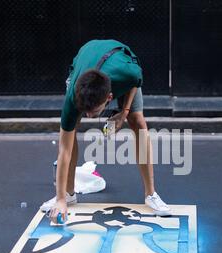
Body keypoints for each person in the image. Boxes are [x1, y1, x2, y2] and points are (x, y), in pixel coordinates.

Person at [48, 39, 171, 224]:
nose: (89, 116)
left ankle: (151, 194)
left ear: (109, 98)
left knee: (138, 122)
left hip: (119, 59)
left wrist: (124, 113)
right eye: (86, 110)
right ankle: (68, 194)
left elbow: (136, 79)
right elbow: (63, 151)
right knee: (71, 128)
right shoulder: (73, 97)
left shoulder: (127, 74)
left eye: (94, 111)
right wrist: (60, 200)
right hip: (85, 57)